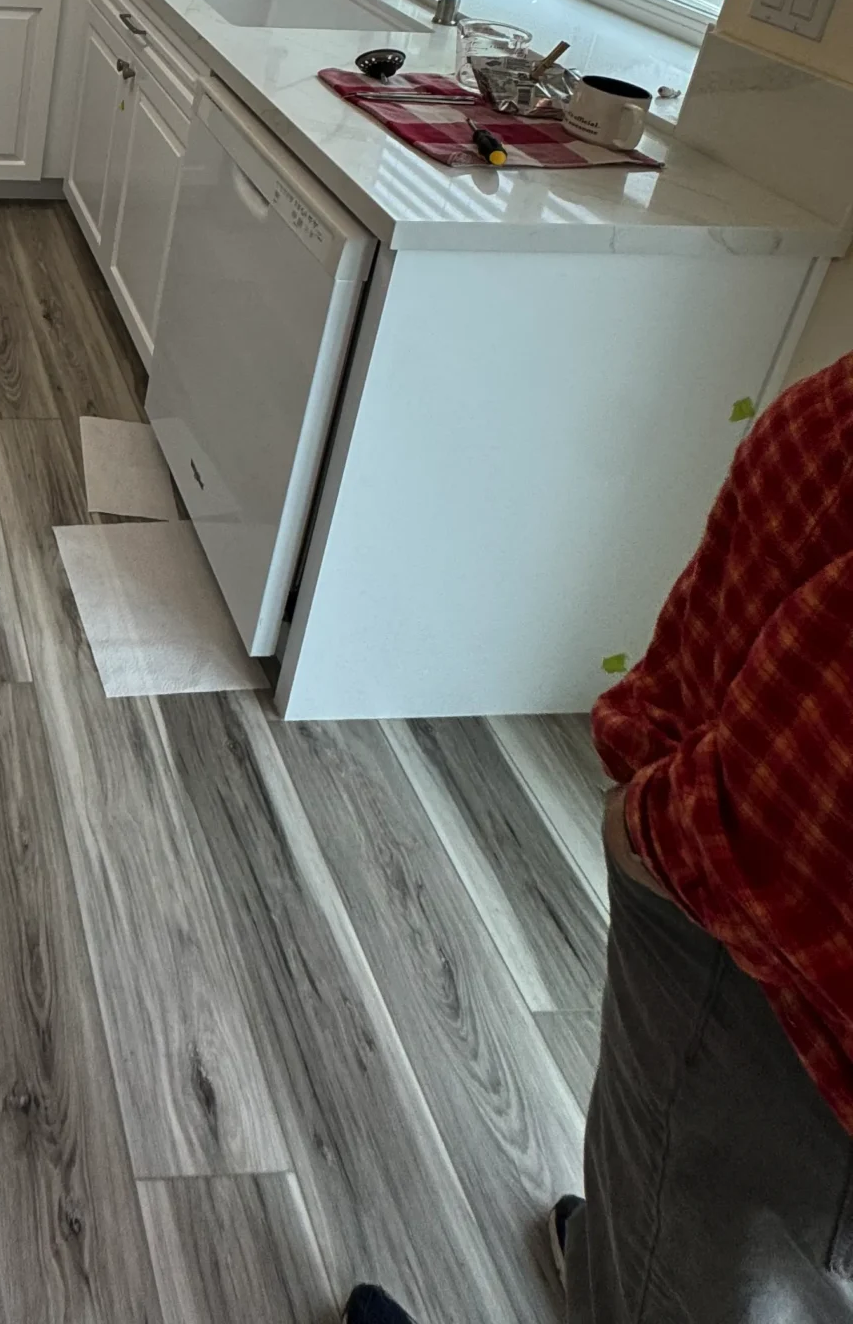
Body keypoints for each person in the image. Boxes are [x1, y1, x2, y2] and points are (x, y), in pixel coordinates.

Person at [345, 352, 853, 1324]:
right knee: (695, 1238)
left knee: (709, 1263)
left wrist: (654, 834)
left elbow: (805, 811)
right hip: (762, 885)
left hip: (778, 954)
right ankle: (641, 1254)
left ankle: (652, 1269)